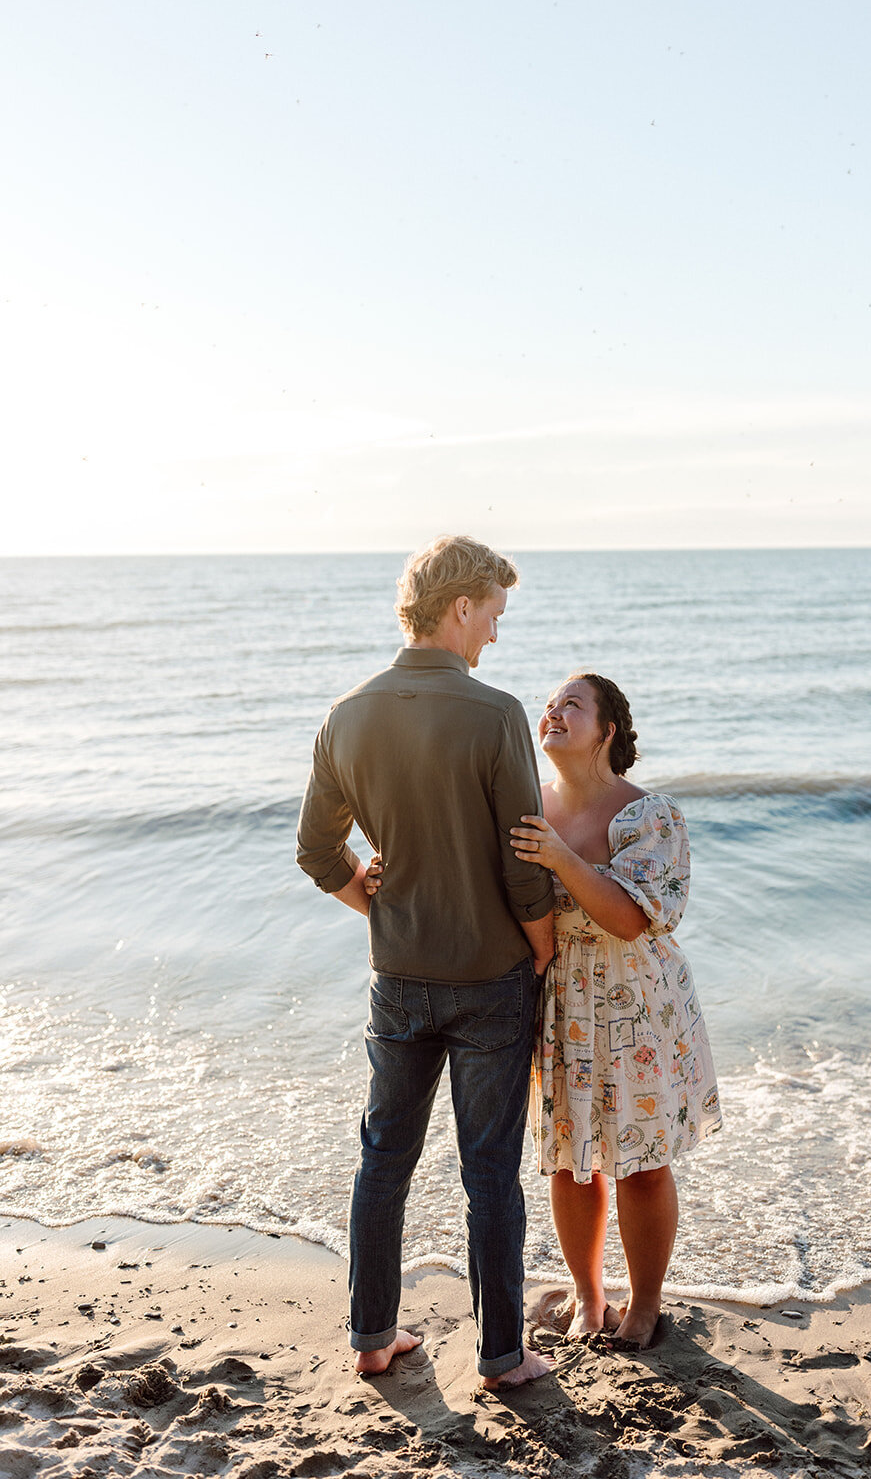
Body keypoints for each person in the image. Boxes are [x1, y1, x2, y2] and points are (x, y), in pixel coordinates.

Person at [295, 536, 556, 1389]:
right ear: (459, 607)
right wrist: (544, 956)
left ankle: (372, 1338)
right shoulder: (494, 713)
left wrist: (380, 903)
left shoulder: (347, 714)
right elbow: (525, 863)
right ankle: (501, 1355)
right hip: (490, 980)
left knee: (384, 1158)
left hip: (398, 976)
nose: (495, 634)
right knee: (489, 1171)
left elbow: (316, 852)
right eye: (493, 615)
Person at [510, 673, 722, 1350]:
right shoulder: (527, 806)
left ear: (606, 731)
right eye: (549, 704)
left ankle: (645, 1301)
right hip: (561, 998)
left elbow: (630, 919)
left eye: (572, 704)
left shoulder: (649, 815)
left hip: (636, 1000)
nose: (553, 712)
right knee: (569, 1160)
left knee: (640, 1162)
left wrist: (560, 857)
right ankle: (587, 1295)